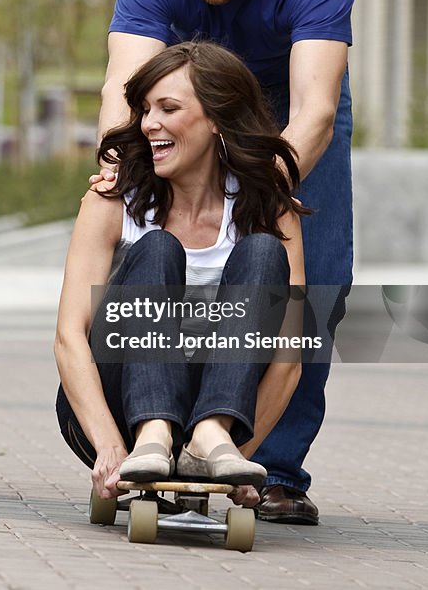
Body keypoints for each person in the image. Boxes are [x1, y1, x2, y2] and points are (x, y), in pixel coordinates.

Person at [98, 0, 353, 524]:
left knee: (309, 281)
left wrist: (264, 190)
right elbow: (124, 92)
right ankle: (161, 429)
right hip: (184, 99)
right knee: (158, 256)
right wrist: (113, 172)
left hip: (282, 104)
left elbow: (317, 110)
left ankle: (272, 466)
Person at [56, 41, 306, 507]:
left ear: (216, 120)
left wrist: (229, 465)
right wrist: (111, 447)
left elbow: (288, 361)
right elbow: (70, 337)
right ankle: (153, 432)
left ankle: (210, 435)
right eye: (146, 109)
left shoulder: (269, 209)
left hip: (218, 418)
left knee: (263, 253)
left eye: (168, 108)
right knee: (156, 247)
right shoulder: (113, 201)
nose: (150, 124)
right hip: (112, 410)